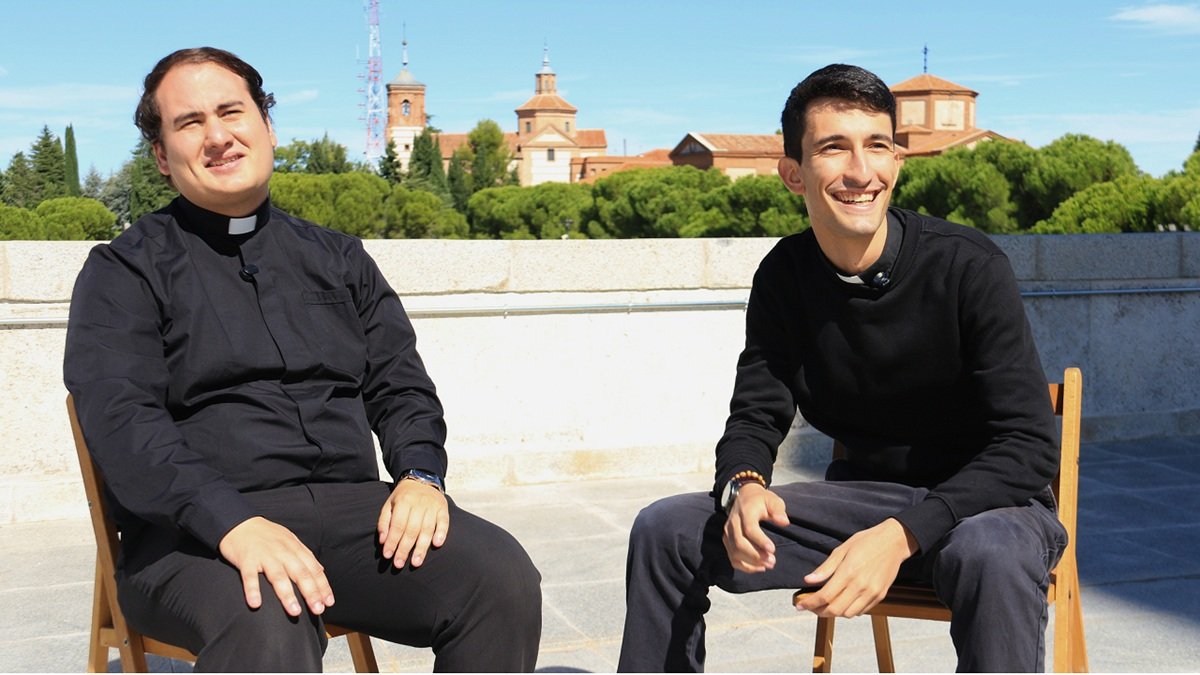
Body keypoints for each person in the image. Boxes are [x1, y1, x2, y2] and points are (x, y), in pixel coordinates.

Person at [64, 47, 541, 672]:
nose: (217, 137)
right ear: (161, 156)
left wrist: (422, 476)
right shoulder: (123, 271)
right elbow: (122, 422)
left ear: (267, 126)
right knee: (269, 616)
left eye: (232, 112)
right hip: (195, 536)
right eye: (188, 124)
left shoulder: (340, 258)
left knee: (499, 578)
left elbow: (401, 386)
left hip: (351, 515)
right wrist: (231, 521)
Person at [617, 64, 1066, 673]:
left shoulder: (969, 266)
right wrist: (742, 485)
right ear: (792, 175)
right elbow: (756, 412)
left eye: (877, 146)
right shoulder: (785, 274)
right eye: (834, 148)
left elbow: (1030, 447)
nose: (861, 172)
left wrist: (904, 533)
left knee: (991, 552)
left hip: (989, 508)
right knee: (664, 529)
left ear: (897, 162)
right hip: (861, 506)